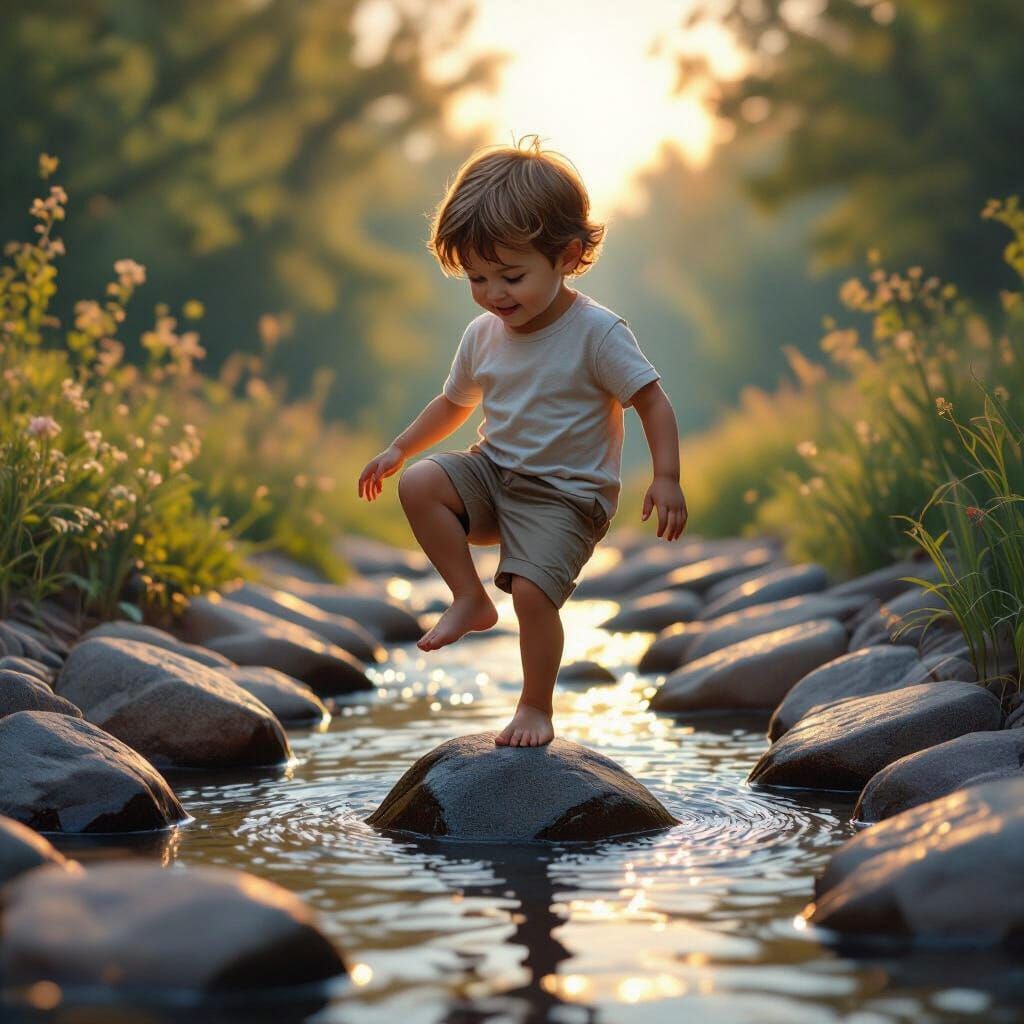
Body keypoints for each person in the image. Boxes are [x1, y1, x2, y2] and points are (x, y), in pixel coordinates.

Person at [357, 134, 688, 748]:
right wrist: (400, 449)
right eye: (477, 278)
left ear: (565, 256)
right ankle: (469, 599)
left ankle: (535, 707)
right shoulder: (483, 334)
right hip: (495, 475)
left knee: (534, 593)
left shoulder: (596, 332)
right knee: (424, 481)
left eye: (511, 275)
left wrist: (665, 476)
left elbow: (651, 400)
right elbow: (454, 404)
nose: (493, 294)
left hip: (565, 496)